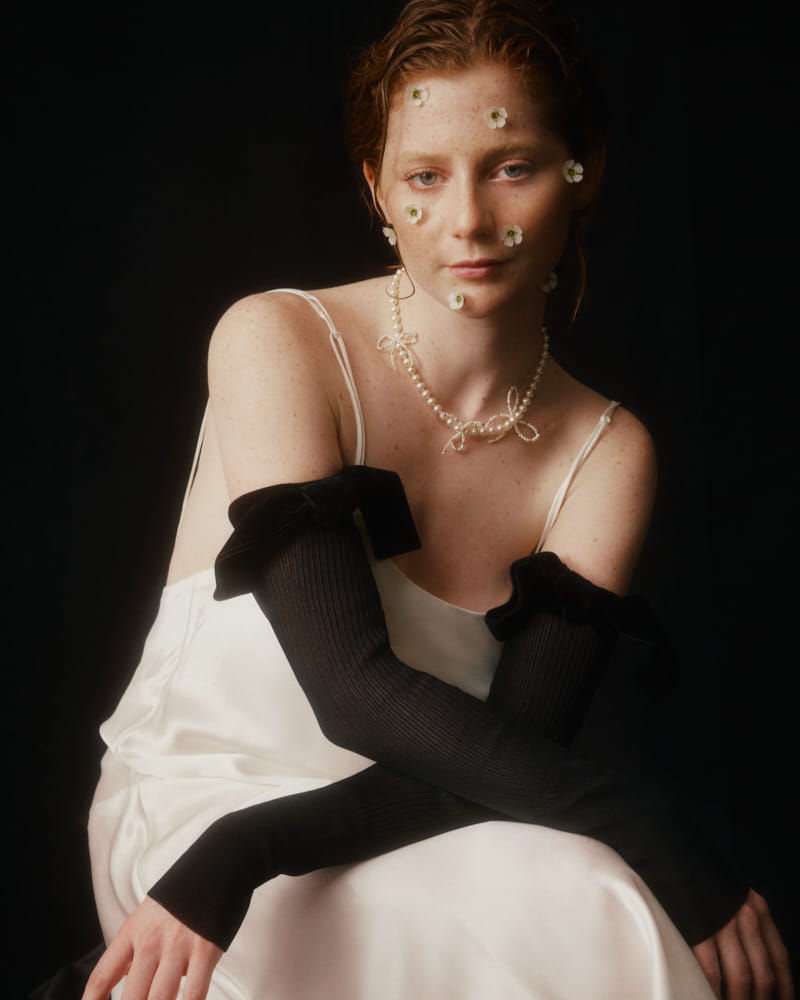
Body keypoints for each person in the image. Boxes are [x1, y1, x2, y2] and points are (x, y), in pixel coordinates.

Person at [82, 2, 794, 998]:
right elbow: (352, 691)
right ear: (375, 187)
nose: (467, 221)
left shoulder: (605, 452)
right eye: (424, 177)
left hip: (418, 820)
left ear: (584, 170)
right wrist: (658, 833)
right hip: (205, 814)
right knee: (601, 889)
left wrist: (253, 852)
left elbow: (514, 758)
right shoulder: (280, 340)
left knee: (593, 896)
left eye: (511, 167)